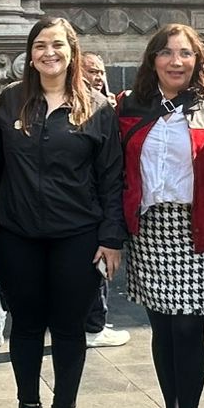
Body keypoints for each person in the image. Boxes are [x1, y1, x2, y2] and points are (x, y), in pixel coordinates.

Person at [0, 16, 124, 408]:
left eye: (58, 46)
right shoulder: (9, 103)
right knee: (26, 326)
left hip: (78, 236)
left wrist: (111, 238)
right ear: (30, 54)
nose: (49, 53)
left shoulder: (98, 109)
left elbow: (112, 179)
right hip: (18, 235)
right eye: (41, 45)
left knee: (69, 329)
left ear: (72, 53)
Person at [116, 23, 204, 408]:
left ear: (198, 61)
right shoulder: (129, 108)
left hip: (196, 228)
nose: (176, 61)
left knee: (188, 331)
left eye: (185, 53)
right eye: (166, 53)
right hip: (150, 230)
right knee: (161, 330)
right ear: (152, 60)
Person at [81, 50, 130, 349]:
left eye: (101, 72)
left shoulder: (109, 105)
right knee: (96, 266)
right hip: (91, 202)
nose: (98, 77)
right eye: (91, 71)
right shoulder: (83, 109)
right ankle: (94, 326)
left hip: (105, 199)